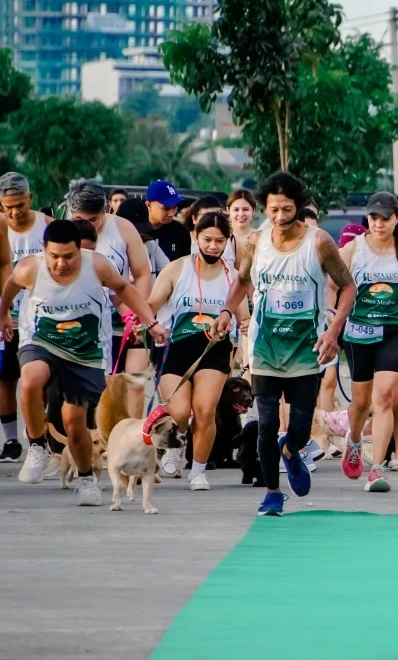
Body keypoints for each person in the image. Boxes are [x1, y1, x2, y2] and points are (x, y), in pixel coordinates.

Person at [213, 171, 355, 517]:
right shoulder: (255, 242)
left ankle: (291, 452)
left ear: (299, 206)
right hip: (265, 347)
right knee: (265, 422)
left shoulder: (319, 242)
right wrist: (226, 311)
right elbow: (242, 281)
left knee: (301, 427)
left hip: (307, 349)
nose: (279, 217)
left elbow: (348, 287)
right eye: (273, 210)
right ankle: (273, 493)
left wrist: (333, 331)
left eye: (287, 209)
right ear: (266, 207)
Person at [5, 220, 167, 500]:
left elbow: (125, 289)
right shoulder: (30, 267)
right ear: (45, 251)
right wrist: (3, 313)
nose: (60, 263)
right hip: (42, 340)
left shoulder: (98, 265)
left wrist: (150, 322)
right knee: (31, 379)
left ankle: (85, 477)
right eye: (54, 256)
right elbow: (10, 285)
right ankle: (36, 445)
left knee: (74, 421)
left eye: (68, 256)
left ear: (80, 250)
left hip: (84, 351)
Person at [337, 192, 398, 493]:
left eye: (385, 218)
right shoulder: (352, 250)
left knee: (383, 398)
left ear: (396, 219)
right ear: (367, 219)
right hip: (357, 333)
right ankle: (354, 439)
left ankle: (377, 468)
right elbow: (334, 285)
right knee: (361, 402)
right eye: (374, 218)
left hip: (395, 330)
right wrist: (331, 320)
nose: (379, 224)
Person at [148, 211, 245, 491]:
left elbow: (244, 314)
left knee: (204, 410)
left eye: (219, 241)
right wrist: (144, 320)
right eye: (207, 240)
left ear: (228, 241)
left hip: (214, 351)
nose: (213, 246)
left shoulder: (233, 276)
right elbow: (152, 302)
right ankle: (175, 446)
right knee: (179, 412)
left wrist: (246, 325)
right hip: (176, 348)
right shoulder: (177, 268)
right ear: (195, 237)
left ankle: (198, 471)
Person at [67, 180, 152, 390]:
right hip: (80, 320)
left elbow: (142, 274)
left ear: (104, 209)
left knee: (132, 386)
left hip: (124, 316)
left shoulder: (124, 229)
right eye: (78, 219)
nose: (86, 225)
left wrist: (137, 315)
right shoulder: (63, 231)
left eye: (93, 219)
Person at [0, 173, 42, 462]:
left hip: (37, 317)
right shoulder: (2, 227)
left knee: (35, 379)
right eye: (7, 206)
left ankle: (38, 438)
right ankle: (12, 441)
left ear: (30, 198)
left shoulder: (47, 227)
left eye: (19, 204)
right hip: (7, 316)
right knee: (5, 379)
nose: (14, 212)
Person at [144, 180, 191, 262]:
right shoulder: (135, 229)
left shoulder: (180, 231)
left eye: (175, 207)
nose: (171, 214)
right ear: (148, 205)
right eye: (166, 208)